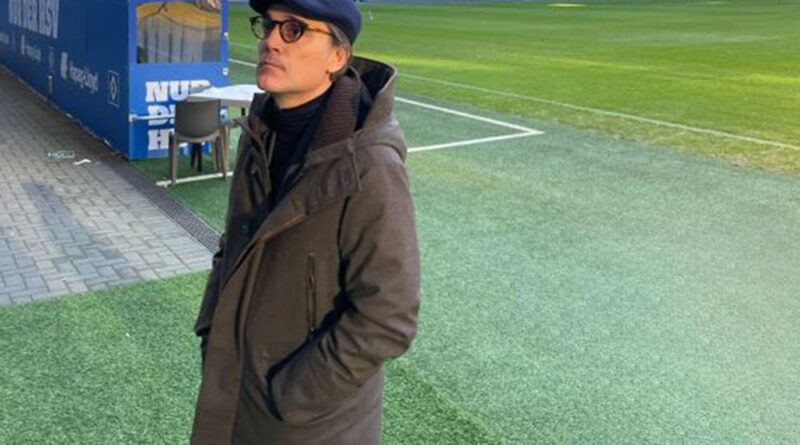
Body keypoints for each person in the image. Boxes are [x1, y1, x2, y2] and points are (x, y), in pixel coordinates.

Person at [189, 0, 420, 443]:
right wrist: (212, 330)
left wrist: (290, 396)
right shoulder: (260, 132)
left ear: (338, 56)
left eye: (294, 29)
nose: (271, 41)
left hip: (310, 425)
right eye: (269, 25)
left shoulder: (370, 166)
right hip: (235, 394)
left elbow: (388, 316)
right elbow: (232, 246)